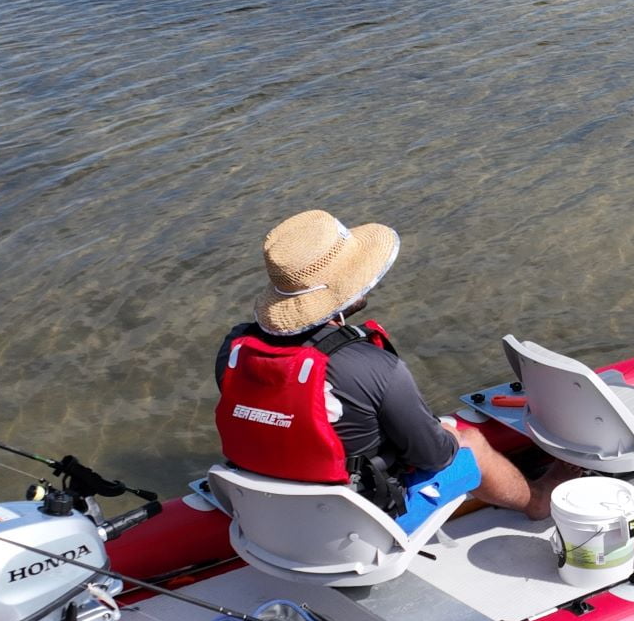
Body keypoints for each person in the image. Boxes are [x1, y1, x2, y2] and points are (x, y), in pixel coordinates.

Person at [215, 209, 549, 524]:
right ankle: (537, 502)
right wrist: (447, 435)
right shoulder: (375, 367)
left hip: (269, 512)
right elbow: (435, 457)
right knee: (470, 442)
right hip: (353, 523)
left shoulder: (235, 347)